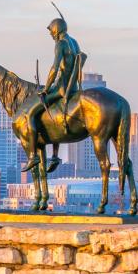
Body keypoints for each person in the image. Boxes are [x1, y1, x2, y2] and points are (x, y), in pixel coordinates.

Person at [22, 11, 85, 173]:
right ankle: (55, 156)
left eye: (51, 31)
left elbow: (55, 68)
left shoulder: (61, 44)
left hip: (61, 89)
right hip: (73, 88)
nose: (50, 34)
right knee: (52, 115)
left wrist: (46, 88)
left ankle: (33, 156)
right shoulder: (74, 42)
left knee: (30, 114)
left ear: (56, 29)